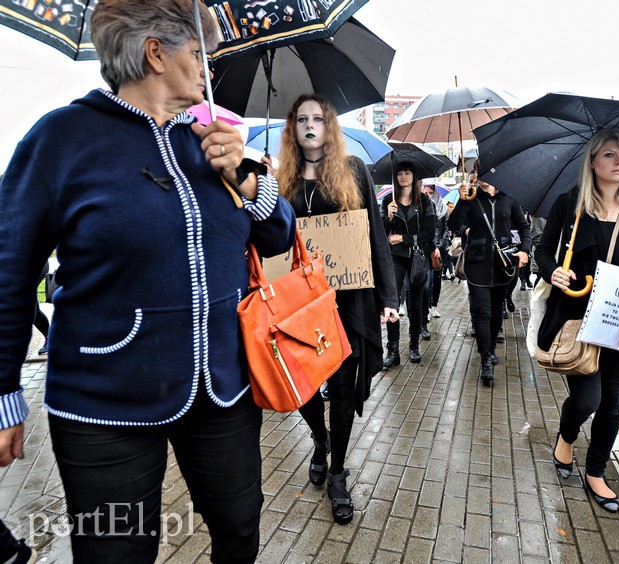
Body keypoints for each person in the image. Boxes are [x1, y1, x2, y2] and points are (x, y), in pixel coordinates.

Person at [0, 1, 296, 560]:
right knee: (117, 551)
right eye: (199, 47)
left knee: (240, 530)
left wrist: (248, 181)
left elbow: (280, 238)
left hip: (222, 388)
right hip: (103, 401)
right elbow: (9, 273)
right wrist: (2, 394)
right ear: (155, 53)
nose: (211, 63)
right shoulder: (61, 139)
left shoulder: (217, 138)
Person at [276, 94, 399, 523]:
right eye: (301, 119)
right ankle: (319, 438)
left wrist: (388, 298)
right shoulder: (282, 181)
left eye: (318, 118)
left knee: (343, 386)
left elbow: (375, 238)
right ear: (292, 129)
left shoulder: (353, 172)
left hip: (348, 302)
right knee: (305, 388)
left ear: (329, 126)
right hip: (301, 305)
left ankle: (338, 471)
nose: (310, 125)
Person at [537, 129, 619, 514]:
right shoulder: (570, 205)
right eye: (610, 154)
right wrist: (552, 272)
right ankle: (566, 434)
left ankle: (596, 471)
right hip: (578, 319)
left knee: (612, 403)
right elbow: (543, 249)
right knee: (588, 398)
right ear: (593, 161)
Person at [448, 163, 531, 386]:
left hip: (503, 264)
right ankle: (485, 358)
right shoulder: (471, 198)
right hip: (477, 263)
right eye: (479, 172)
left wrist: (524, 250)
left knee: (496, 312)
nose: (482, 175)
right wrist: (462, 202)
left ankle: (492, 346)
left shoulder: (508, 198)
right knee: (483, 311)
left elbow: (524, 227)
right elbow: (453, 224)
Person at [380, 163, 435, 366]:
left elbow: (429, 232)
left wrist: (404, 238)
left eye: (407, 173)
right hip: (395, 257)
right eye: (400, 173)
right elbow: (381, 230)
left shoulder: (424, 201)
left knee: (415, 303)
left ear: (414, 176)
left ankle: (414, 345)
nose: (403, 176)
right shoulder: (388, 199)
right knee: (392, 302)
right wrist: (389, 217)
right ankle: (393, 351)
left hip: (417, 257)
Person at [422, 180, 447, 321]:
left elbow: (446, 228)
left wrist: (441, 245)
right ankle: (426, 309)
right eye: (426, 192)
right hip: (427, 247)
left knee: (436, 279)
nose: (428, 195)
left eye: (431, 193)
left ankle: (434, 306)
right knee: (427, 280)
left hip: (439, 248)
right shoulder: (422, 208)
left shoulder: (442, 209)